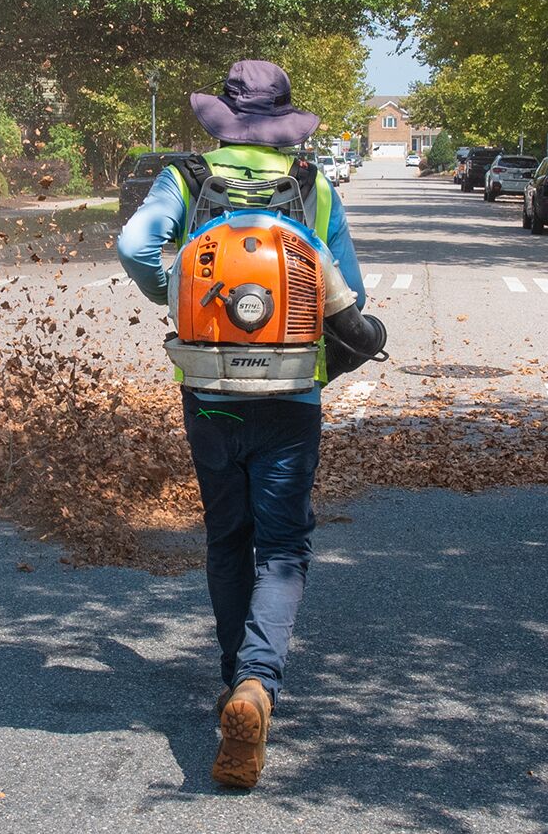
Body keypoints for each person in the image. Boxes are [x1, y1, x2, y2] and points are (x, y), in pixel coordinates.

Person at [114, 59, 369, 788]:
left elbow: (136, 244)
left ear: (221, 118)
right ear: (287, 122)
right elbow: (347, 295)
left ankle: (235, 683)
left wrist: (180, 291)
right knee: (283, 546)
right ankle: (259, 682)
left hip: (210, 389)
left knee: (228, 538)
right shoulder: (314, 186)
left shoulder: (188, 179)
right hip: (291, 394)